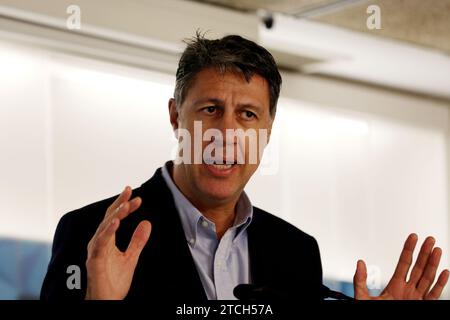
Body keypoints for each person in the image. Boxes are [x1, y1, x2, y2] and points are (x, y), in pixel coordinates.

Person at [40, 33, 449, 301]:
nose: (227, 133)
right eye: (211, 109)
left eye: (248, 115)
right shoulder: (92, 235)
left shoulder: (296, 254)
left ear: (269, 131)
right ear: (175, 117)